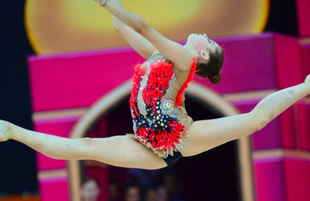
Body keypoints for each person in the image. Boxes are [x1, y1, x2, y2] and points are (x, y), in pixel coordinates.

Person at [0, 0, 310, 170]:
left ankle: (305, 86)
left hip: (182, 138)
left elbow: (144, 27)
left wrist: (108, 4)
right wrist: (112, 6)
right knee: (84, 147)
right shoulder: (158, 57)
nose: (205, 33)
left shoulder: (184, 62)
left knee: (254, 121)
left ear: (202, 54)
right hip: (144, 145)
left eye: (210, 41)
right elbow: (122, 26)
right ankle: (11, 131)